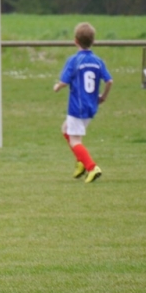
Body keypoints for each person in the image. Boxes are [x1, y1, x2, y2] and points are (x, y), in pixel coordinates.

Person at [53, 22, 112, 184]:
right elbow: (109, 81)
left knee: (75, 141)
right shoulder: (98, 61)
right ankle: (81, 161)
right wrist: (103, 97)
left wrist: (57, 87)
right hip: (91, 106)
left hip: (77, 107)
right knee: (65, 128)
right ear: (93, 41)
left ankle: (91, 167)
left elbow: (64, 81)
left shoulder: (74, 60)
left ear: (75, 41)